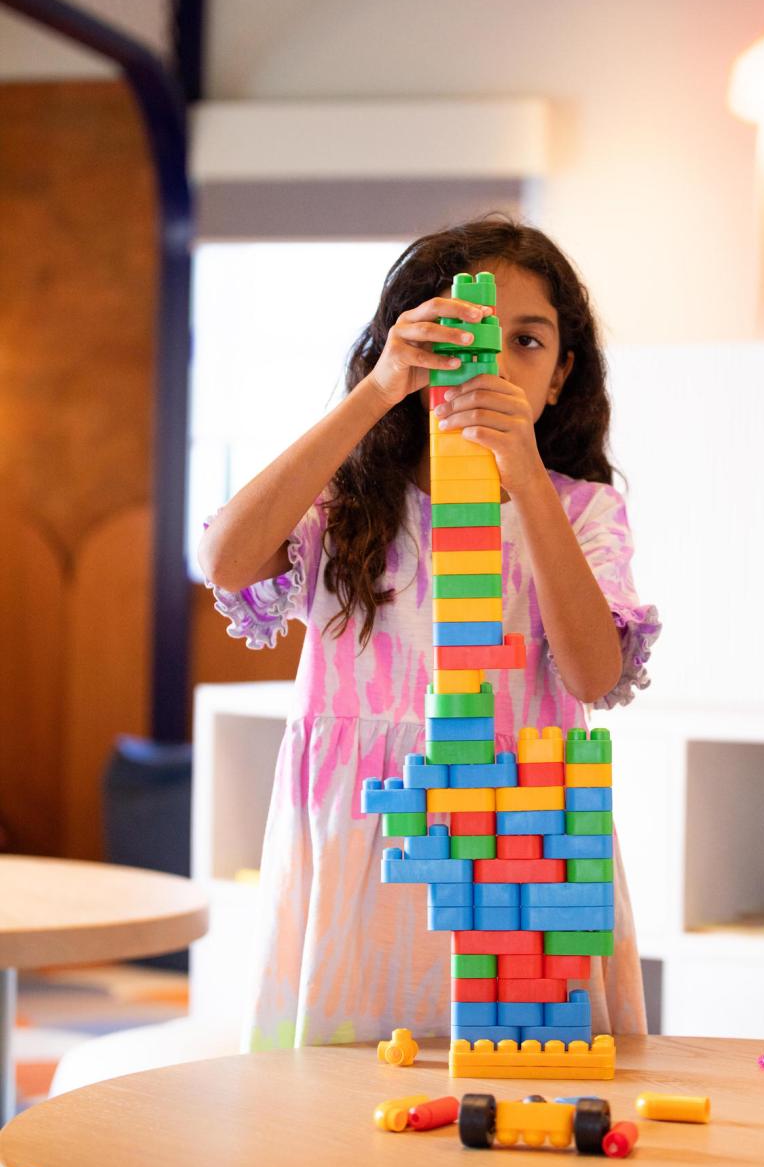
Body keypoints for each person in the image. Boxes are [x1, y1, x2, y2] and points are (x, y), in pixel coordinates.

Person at [199, 215, 661, 1051]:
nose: (495, 361)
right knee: (337, 1111)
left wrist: (522, 473)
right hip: (357, 853)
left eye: (528, 341)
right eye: (465, 334)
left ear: (560, 376)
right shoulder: (346, 509)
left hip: (524, 841)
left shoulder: (583, 511)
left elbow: (594, 674)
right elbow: (225, 558)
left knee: (531, 1094)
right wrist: (377, 390)